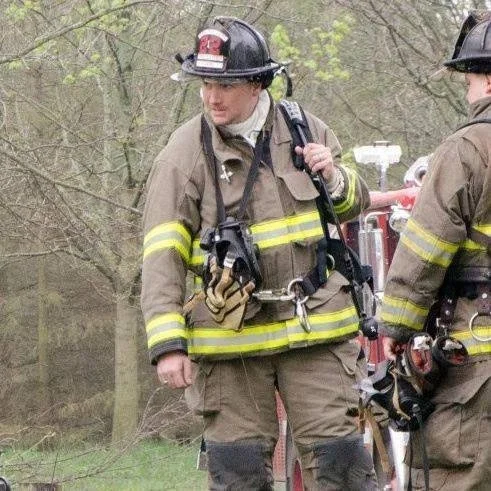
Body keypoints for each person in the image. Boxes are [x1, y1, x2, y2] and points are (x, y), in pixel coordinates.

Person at [141, 16, 377, 490]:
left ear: (258, 83)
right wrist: (168, 345)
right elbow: (161, 253)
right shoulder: (182, 153)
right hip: (230, 345)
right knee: (239, 474)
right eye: (205, 83)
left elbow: (354, 204)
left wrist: (333, 177)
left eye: (224, 84)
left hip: (315, 333)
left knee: (342, 463)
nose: (212, 96)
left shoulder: (305, 128)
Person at [381, 11, 491, 491]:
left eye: (468, 77)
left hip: (477, 366)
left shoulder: (466, 150)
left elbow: (424, 250)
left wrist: (397, 328)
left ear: (485, 77)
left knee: (459, 475)